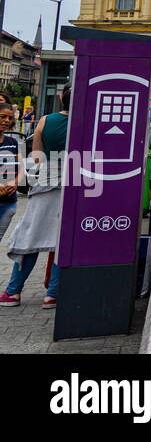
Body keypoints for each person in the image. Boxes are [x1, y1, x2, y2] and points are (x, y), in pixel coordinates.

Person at [1, 87, 71, 309]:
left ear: (61, 98)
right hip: (74, 184)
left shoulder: (44, 121)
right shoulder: (85, 123)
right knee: (62, 242)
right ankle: (53, 294)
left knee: (29, 238)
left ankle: (13, 291)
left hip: (45, 184)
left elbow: (37, 158)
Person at [0, 106, 19, 243]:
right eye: (3, 117)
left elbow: (22, 167)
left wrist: (16, 182)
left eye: (10, 118)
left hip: (9, 202)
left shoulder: (13, 142)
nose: (7, 120)